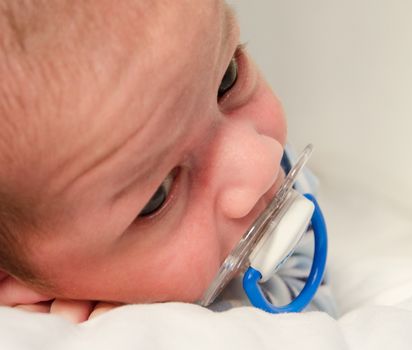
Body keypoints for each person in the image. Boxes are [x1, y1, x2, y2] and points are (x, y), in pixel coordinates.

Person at [0, 0, 335, 322]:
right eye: (159, 193)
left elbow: (309, 295)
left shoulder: (280, 172)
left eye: (227, 78)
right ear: (11, 282)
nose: (261, 162)